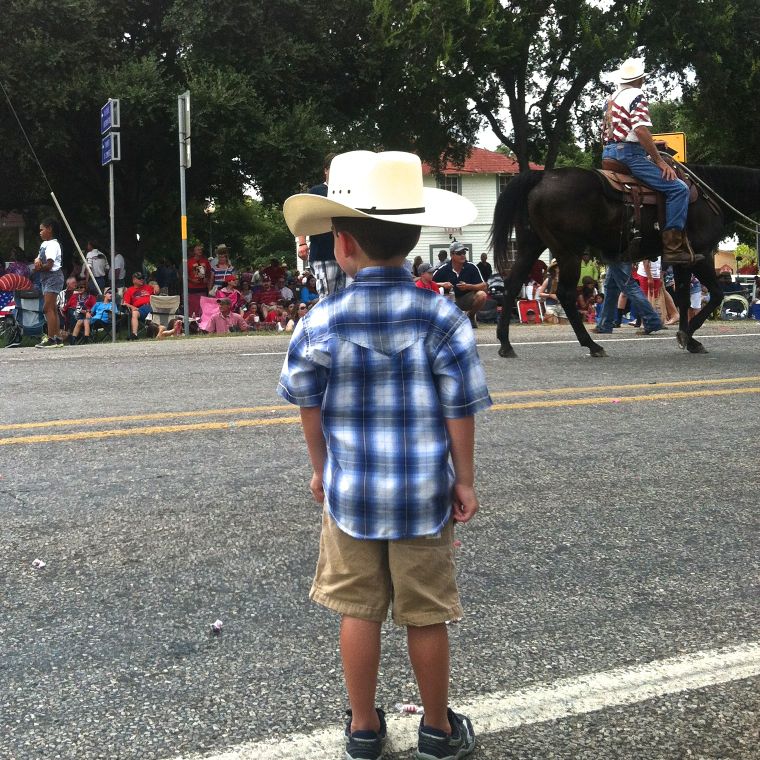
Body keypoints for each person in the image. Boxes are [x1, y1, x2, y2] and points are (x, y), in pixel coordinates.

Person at [278, 150, 488, 760]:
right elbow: (461, 409)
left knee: (358, 609)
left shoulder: (319, 321)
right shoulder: (444, 317)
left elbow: (307, 405)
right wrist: (465, 480)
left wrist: (320, 470)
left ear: (342, 245)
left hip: (351, 494)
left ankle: (365, 729)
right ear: (414, 234)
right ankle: (436, 730)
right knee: (425, 615)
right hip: (424, 493)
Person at [601, 57, 700, 266]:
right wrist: (659, 161)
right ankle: (673, 248)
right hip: (630, 155)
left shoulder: (611, 99)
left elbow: (619, 131)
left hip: (608, 153)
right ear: (641, 79)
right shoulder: (636, 95)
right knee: (678, 189)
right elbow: (640, 129)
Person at [296, 152, 349, 298]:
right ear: (326, 170)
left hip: (345, 253)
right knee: (326, 297)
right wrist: (302, 244)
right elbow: (302, 217)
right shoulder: (316, 191)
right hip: (323, 254)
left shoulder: (348, 192)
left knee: (342, 298)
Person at [593, 259, 664, 335]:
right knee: (610, 286)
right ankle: (605, 324)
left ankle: (652, 320)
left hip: (617, 252)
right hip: (619, 252)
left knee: (628, 285)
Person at [433, 242, 487, 327]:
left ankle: (471, 315)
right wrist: (442, 284)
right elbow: (429, 284)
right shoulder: (443, 269)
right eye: (459, 253)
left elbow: (484, 285)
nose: (463, 255)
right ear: (451, 254)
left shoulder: (471, 267)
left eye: (464, 253)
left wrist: (468, 286)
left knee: (482, 295)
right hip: (448, 301)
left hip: (466, 298)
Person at [33, 218, 65, 348]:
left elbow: (50, 265)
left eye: (42, 229)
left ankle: (51, 338)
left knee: (47, 308)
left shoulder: (53, 244)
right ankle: (57, 338)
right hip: (45, 278)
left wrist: (39, 267)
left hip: (53, 277)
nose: (40, 232)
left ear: (50, 229)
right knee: (52, 309)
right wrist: (37, 261)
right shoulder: (44, 244)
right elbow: (39, 258)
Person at [122, 271, 158, 340]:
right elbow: (125, 303)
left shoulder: (148, 287)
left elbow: (157, 291)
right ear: (134, 280)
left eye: (143, 278)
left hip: (153, 307)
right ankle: (134, 335)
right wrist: (133, 307)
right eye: (139, 278)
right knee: (134, 313)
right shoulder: (129, 290)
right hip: (141, 309)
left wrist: (156, 285)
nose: (142, 280)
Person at [187, 244, 212, 317]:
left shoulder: (205, 261)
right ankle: (192, 323)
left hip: (203, 288)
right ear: (194, 251)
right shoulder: (189, 262)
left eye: (201, 250)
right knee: (193, 306)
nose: (200, 251)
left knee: (202, 306)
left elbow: (209, 273)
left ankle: (201, 322)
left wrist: (207, 279)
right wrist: (192, 280)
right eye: (198, 249)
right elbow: (185, 275)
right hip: (192, 288)